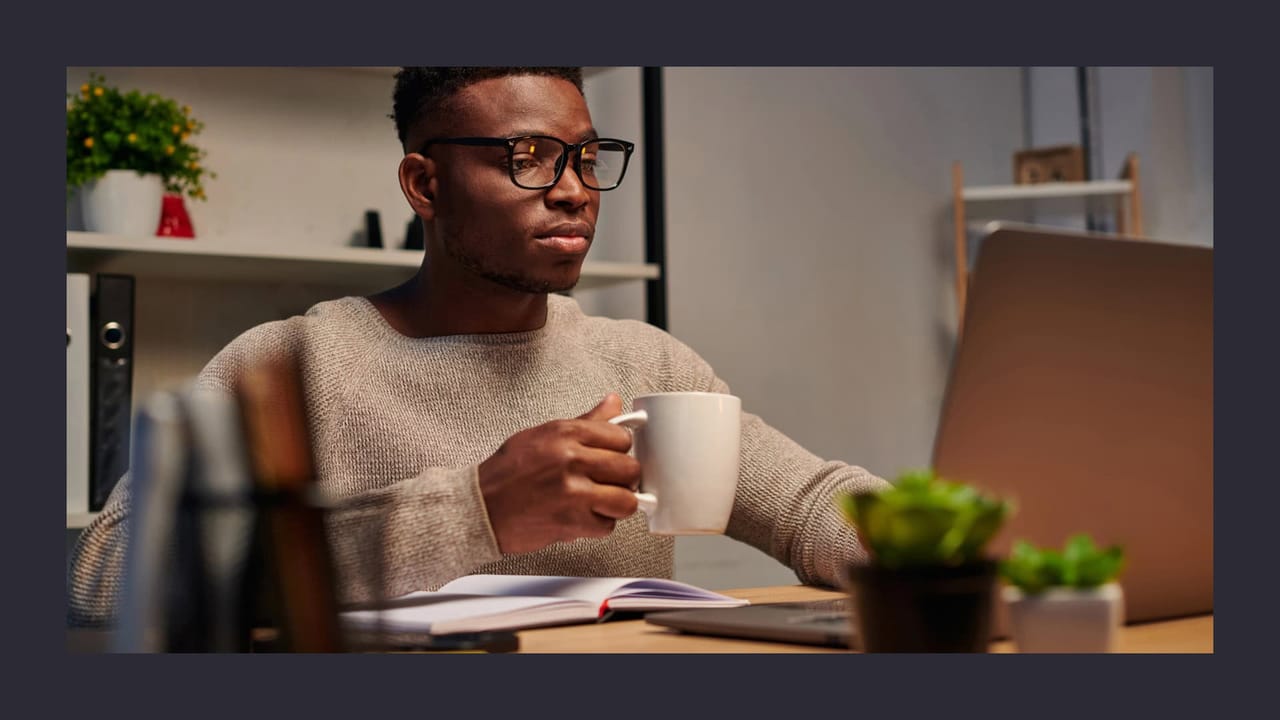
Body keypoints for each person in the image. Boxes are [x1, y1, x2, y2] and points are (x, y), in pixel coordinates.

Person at [67, 67, 889, 627]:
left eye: (587, 158)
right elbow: (107, 582)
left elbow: (811, 505)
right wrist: (477, 511)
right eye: (528, 158)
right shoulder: (289, 364)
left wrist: (944, 535)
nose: (572, 189)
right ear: (425, 185)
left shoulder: (647, 363)